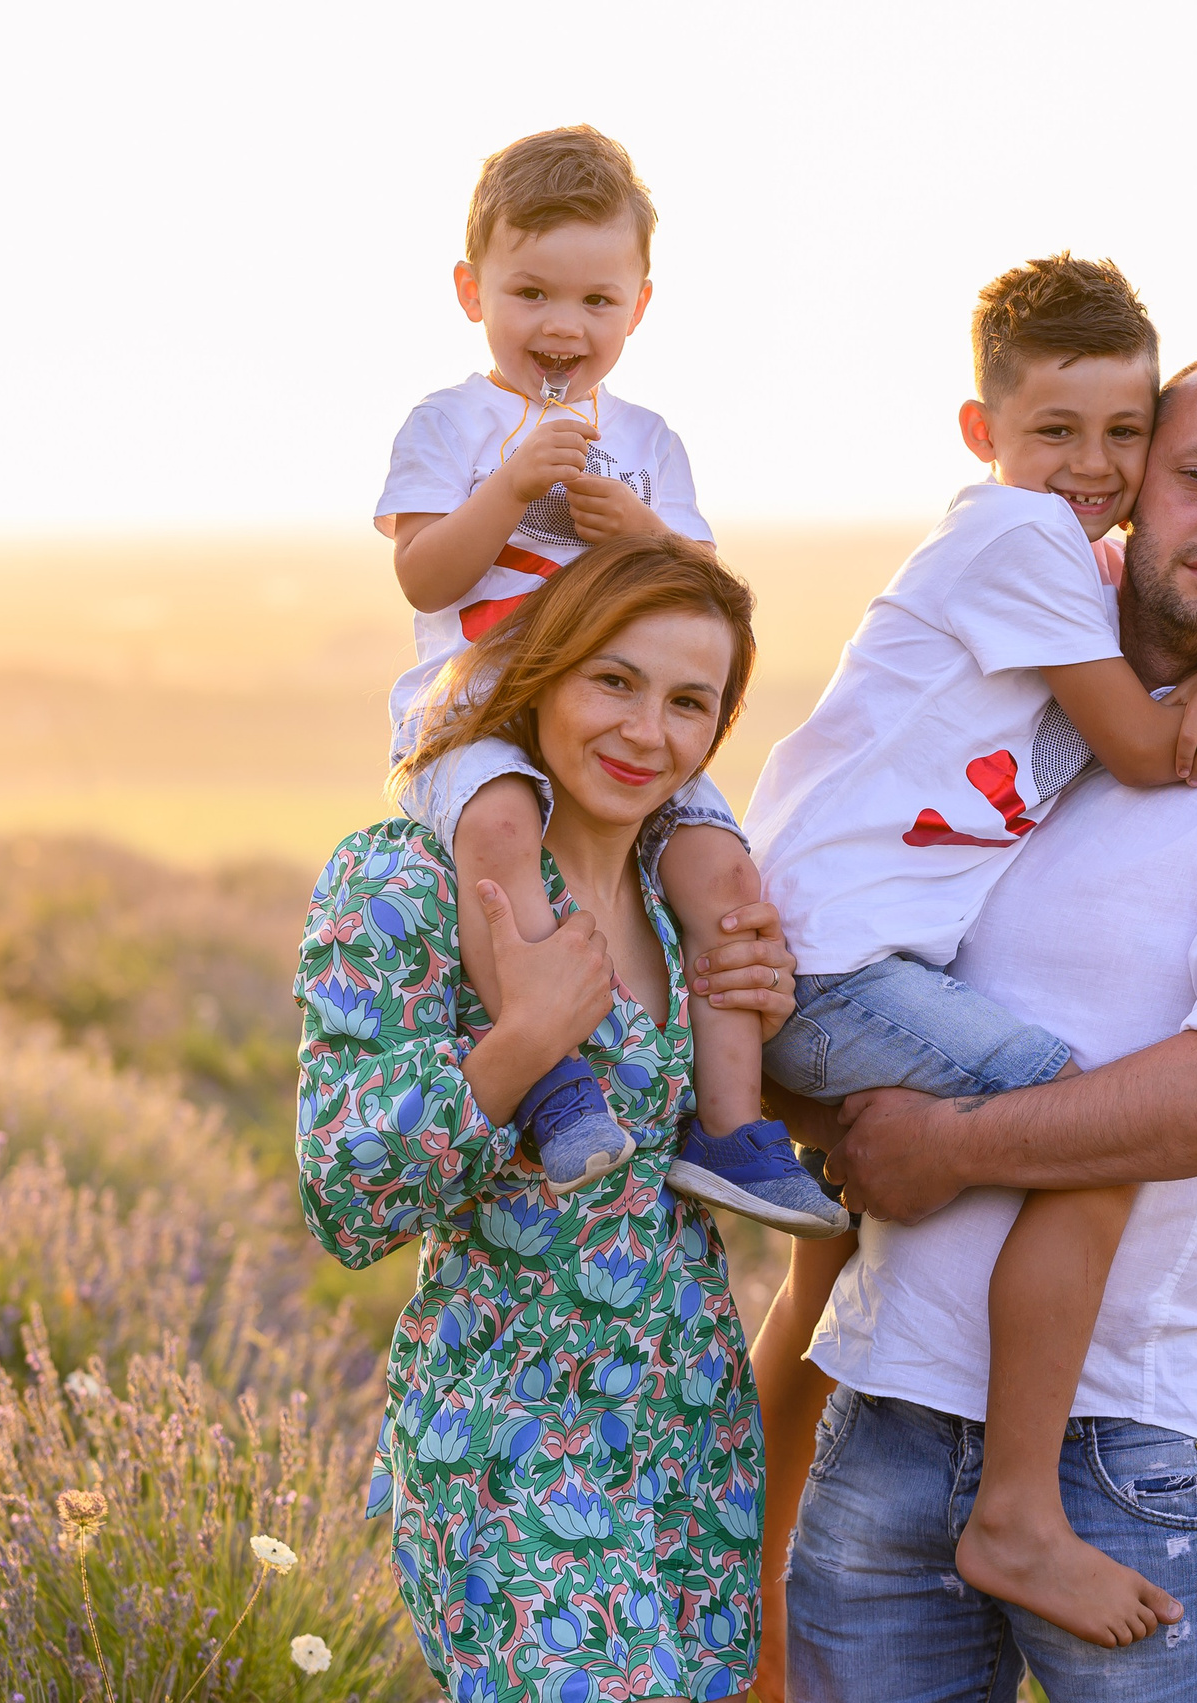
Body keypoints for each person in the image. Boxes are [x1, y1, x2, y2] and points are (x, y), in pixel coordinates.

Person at [742, 257, 1197, 1650]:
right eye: (1194, 472)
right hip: (888, 1415)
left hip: (1137, 1453)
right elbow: (830, 1221)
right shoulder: (1036, 640)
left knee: (1103, 1134)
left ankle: (1020, 1506)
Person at [294, 534, 804, 1703]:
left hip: (686, 1445)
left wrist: (775, 1021)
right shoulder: (406, 881)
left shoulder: (695, 913)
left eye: (689, 702)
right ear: (544, 678)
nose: (645, 731)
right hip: (507, 1454)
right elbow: (345, 1194)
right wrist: (519, 1044)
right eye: (612, 681)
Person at [373, 123, 838, 1234]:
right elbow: (421, 573)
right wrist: (506, 489)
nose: (560, 327)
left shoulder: (648, 442)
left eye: (594, 302)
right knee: (494, 834)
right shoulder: (450, 425)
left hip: (616, 723)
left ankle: (729, 1126)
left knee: (725, 869)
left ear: (637, 306)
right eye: (530, 293)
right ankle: (550, 1078)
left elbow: (703, 605)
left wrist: (638, 529)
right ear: (469, 289)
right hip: (480, 715)